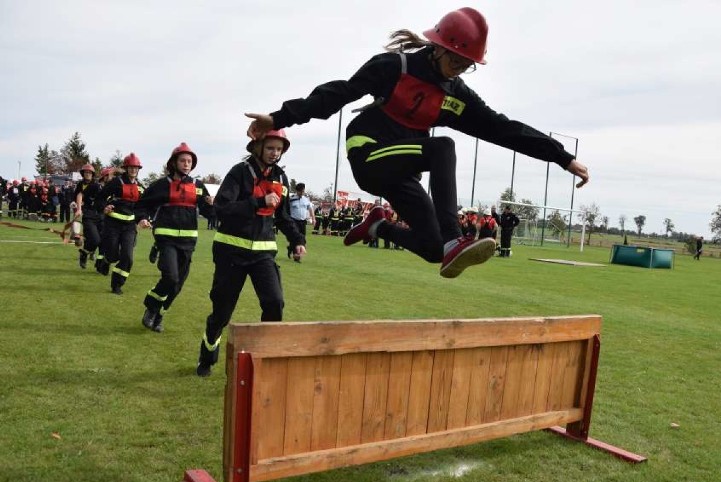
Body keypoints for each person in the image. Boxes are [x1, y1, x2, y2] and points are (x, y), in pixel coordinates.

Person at [245, 7, 589, 279]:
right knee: (443, 147)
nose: (457, 70)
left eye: (466, 66)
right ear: (437, 47)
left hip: (402, 170)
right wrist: (278, 119)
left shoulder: (456, 95)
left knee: (433, 248)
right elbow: (338, 93)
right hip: (368, 153)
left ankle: (379, 225)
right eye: (454, 60)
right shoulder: (395, 67)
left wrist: (561, 157)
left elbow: (502, 128)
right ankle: (456, 237)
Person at [196, 129, 306, 377]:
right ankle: (207, 354)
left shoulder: (282, 178)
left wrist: (297, 240)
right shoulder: (239, 172)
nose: (274, 153)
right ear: (258, 147)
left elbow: (284, 217)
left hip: (263, 255)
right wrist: (257, 202)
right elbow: (222, 209)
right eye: (270, 148)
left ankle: (265, 359)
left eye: (279, 149)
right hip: (231, 253)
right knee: (222, 313)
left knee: (274, 303)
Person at [136, 143, 214, 333]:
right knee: (170, 278)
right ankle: (151, 307)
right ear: (174, 162)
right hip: (166, 240)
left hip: (188, 242)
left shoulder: (198, 186)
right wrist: (142, 218)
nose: (187, 164)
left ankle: (159, 313)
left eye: (190, 161)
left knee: (177, 285)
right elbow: (142, 205)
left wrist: (212, 205)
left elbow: (208, 212)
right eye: (183, 160)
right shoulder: (161, 185)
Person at [97, 153, 145, 295]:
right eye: (131, 167)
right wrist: (104, 207)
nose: (133, 170)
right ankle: (107, 260)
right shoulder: (116, 182)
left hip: (129, 227)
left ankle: (117, 284)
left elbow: (143, 206)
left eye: (136, 168)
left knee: (128, 258)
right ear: (126, 168)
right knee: (113, 255)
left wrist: (143, 218)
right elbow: (100, 198)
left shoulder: (141, 187)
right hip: (112, 224)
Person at [73, 164, 102, 269]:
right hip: (87, 214)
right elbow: (79, 195)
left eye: (89, 173)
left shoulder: (97, 185)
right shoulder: (82, 185)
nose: (88, 174)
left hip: (100, 215)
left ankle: (88, 253)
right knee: (93, 238)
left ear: (93, 174)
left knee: (98, 239)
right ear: (83, 174)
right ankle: (85, 252)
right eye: (86, 172)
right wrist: (78, 207)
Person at [287, 182, 314, 261]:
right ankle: (297, 256)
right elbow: (286, 209)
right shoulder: (291, 199)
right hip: (294, 221)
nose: (302, 193)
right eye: (300, 191)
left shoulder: (306, 199)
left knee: (303, 238)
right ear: (297, 191)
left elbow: (310, 208)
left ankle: (290, 248)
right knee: (296, 238)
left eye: (303, 191)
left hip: (303, 221)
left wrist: (313, 218)